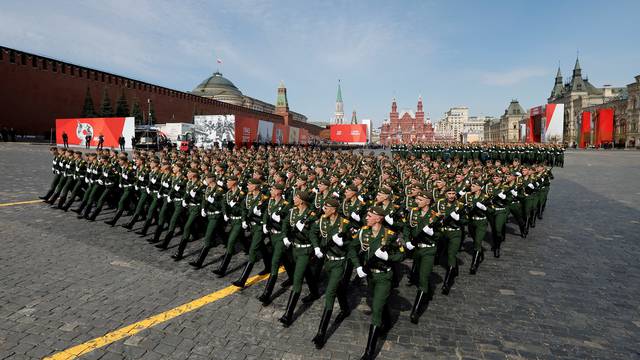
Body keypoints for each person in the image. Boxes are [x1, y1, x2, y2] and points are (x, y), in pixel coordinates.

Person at [349, 206, 403, 360]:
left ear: (379, 218)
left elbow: (402, 255)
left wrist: (388, 258)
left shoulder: (390, 236)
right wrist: (358, 266)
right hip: (370, 276)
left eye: (370, 215)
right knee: (377, 301)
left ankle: (369, 352)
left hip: (384, 276)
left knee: (376, 309)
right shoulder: (363, 232)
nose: (366, 217)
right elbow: (352, 249)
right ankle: (386, 322)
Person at [309, 198, 353, 348]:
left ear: (334, 210)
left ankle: (321, 333)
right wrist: (316, 247)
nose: (323, 209)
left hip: (339, 263)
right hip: (327, 261)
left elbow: (354, 244)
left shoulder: (345, 224)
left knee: (329, 294)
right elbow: (313, 233)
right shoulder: (322, 220)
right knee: (337, 286)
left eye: (326, 207)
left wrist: (344, 243)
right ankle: (345, 308)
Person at [278, 191, 321, 327]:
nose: (294, 198)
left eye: (296, 197)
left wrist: (304, 231)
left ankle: (288, 314)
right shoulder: (293, 211)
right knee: (306, 271)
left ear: (302, 201)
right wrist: (285, 236)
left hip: (305, 250)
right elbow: (285, 224)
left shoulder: (312, 217)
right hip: (294, 249)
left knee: (297, 280)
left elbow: (314, 235)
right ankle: (314, 292)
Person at [403, 191, 440, 323]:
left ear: (428, 201)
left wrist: (433, 233)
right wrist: (407, 240)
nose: (416, 201)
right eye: (416, 199)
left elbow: (441, 236)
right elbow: (407, 228)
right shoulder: (414, 212)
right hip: (416, 249)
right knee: (420, 274)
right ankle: (428, 290)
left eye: (420, 199)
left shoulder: (435, 216)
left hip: (429, 249)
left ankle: (415, 311)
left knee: (423, 279)